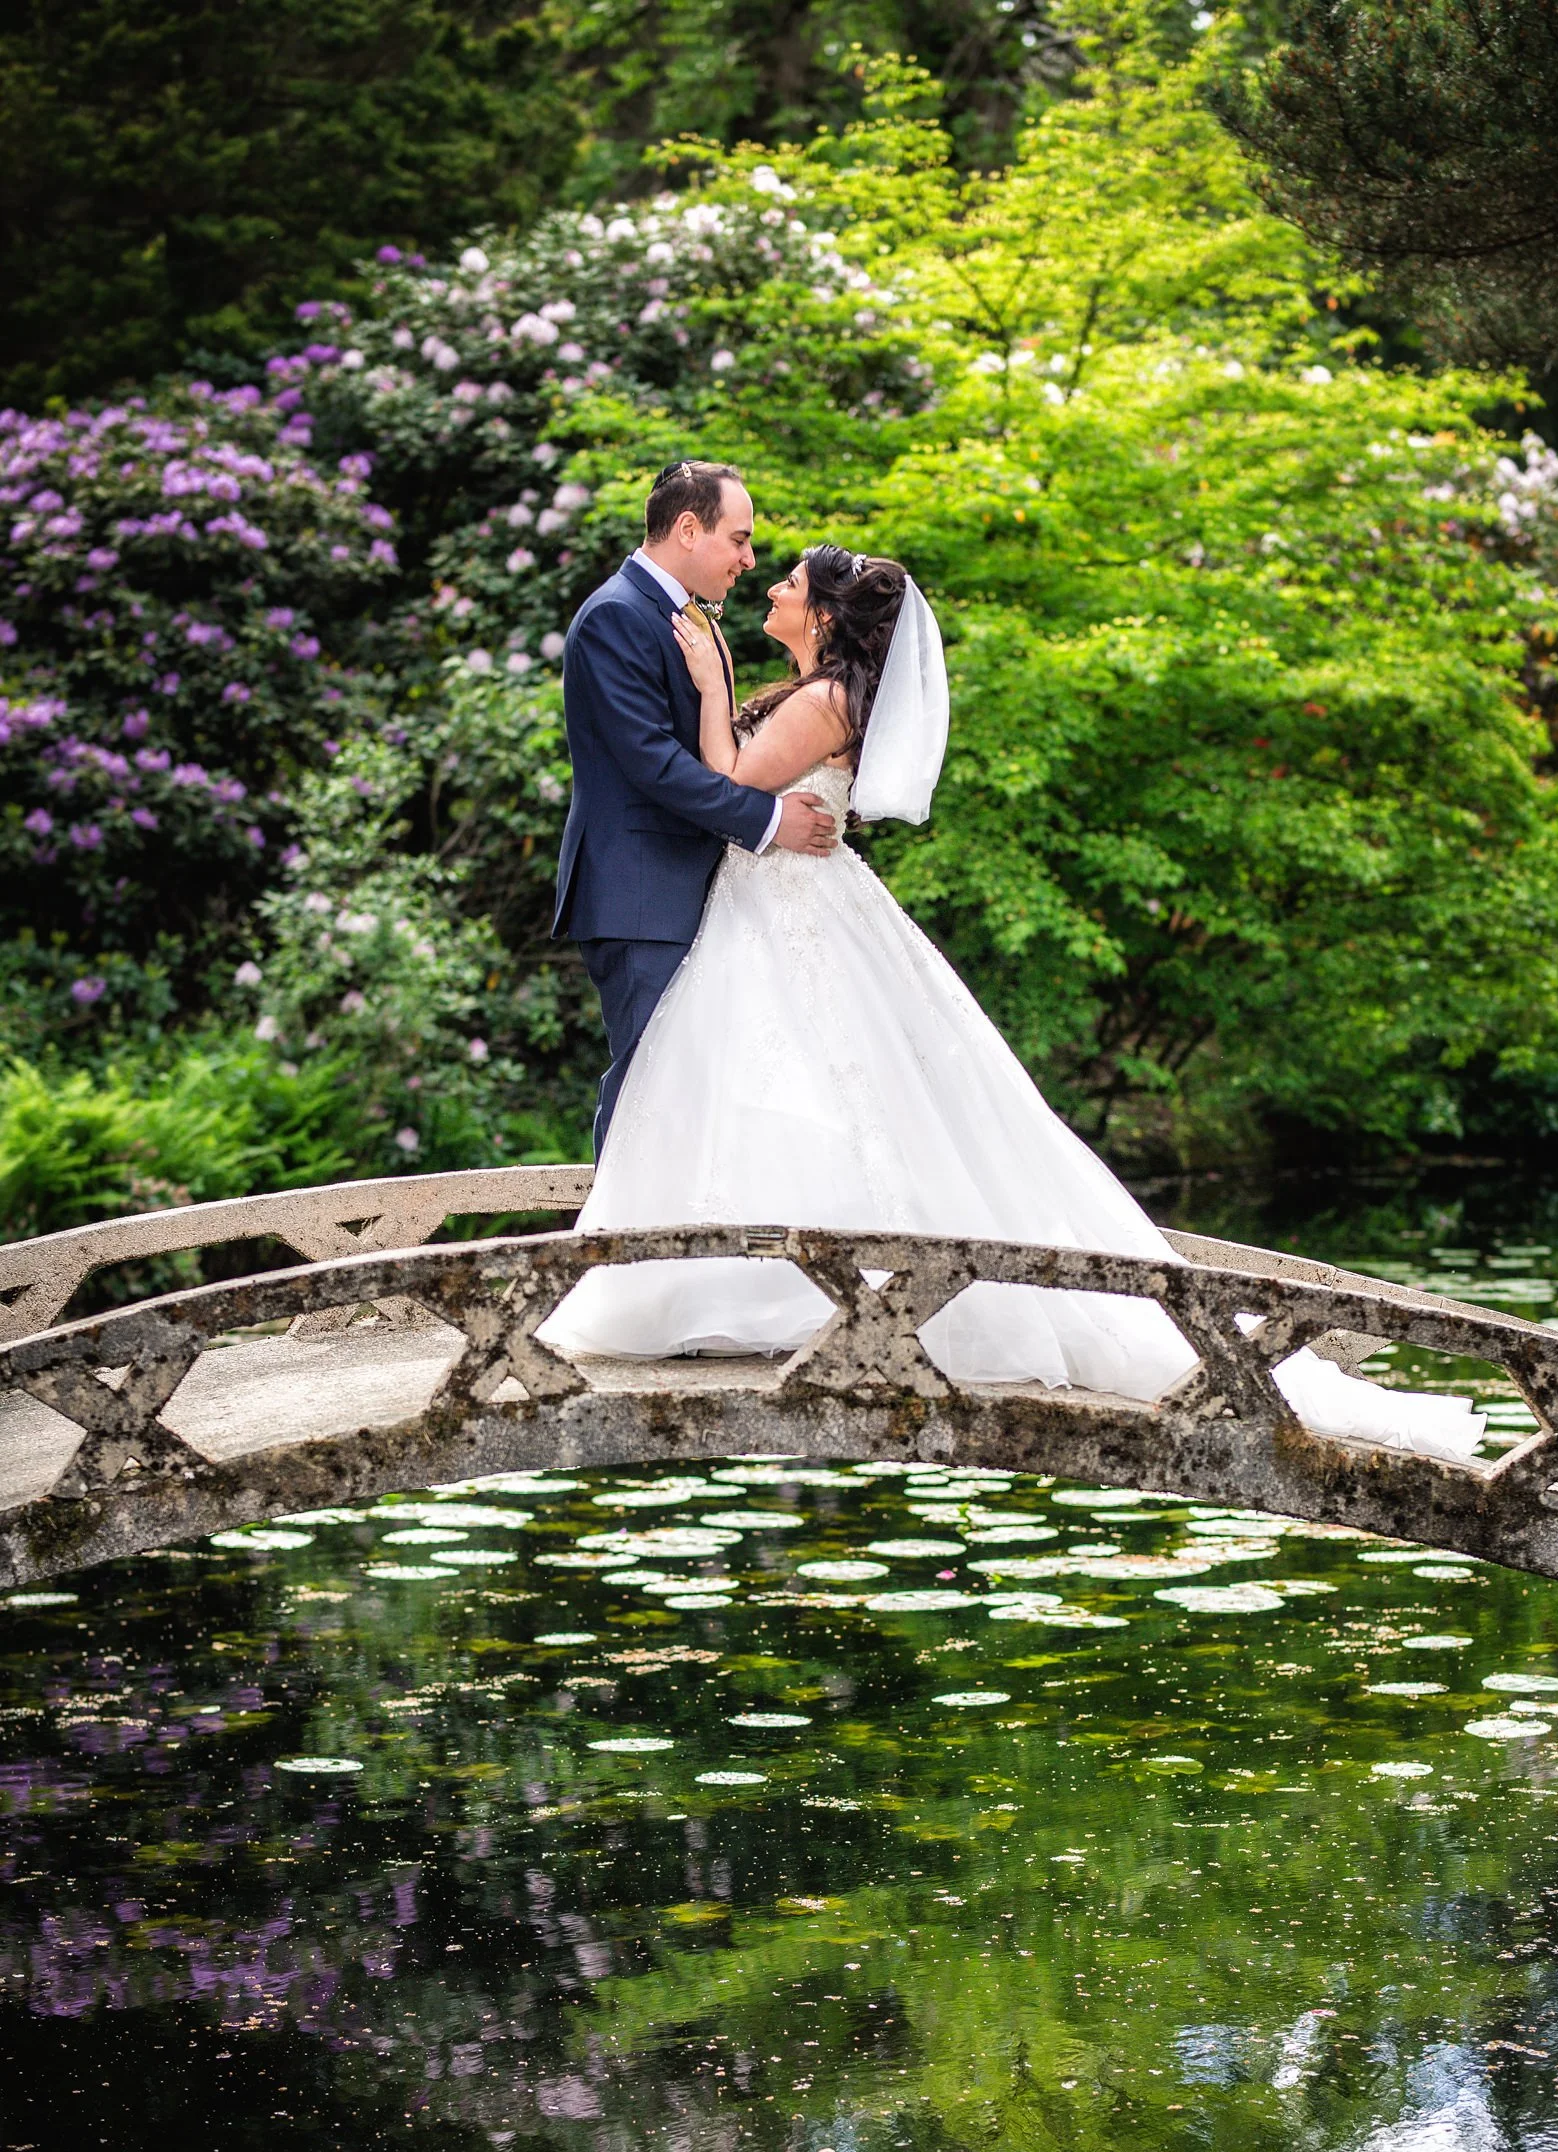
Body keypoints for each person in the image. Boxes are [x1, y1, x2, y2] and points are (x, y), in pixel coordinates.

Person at [553, 539, 1484, 1463]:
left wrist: (709, 685)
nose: (770, 584)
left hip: (785, 909)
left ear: (825, 615)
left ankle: (789, 1293)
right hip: (774, 907)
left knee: (802, 1086)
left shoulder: (823, 700)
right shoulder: (818, 693)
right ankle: (754, 1289)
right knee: (792, 1093)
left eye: (789, 582)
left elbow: (726, 783)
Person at [554, 458, 839, 1153]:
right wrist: (770, 821)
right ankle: (612, 1222)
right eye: (738, 539)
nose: (749, 560)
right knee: (648, 1088)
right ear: (688, 528)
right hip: (640, 894)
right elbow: (652, 763)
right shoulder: (616, 616)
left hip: (692, 891)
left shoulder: (687, 618)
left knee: (693, 1093)